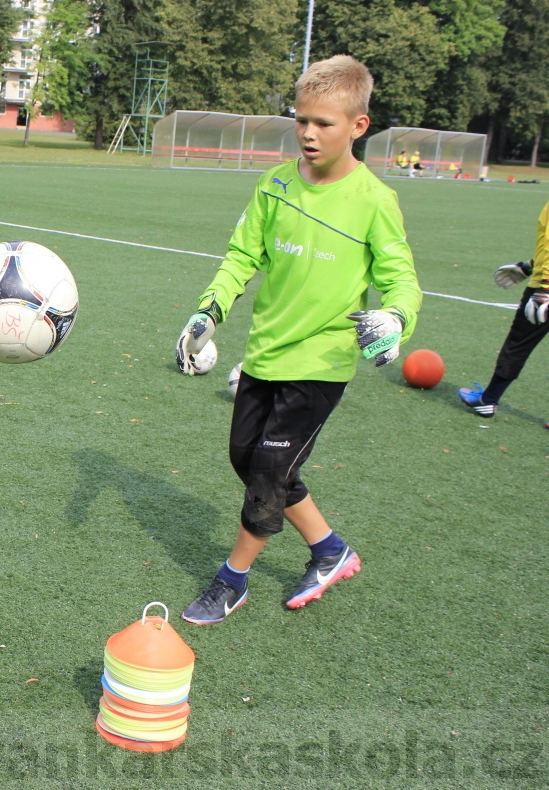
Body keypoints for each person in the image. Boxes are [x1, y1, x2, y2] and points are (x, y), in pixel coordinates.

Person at [173, 55, 422, 625]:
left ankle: (231, 581)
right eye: (301, 119)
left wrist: (397, 319)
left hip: (323, 362)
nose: (308, 133)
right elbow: (243, 256)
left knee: (266, 472)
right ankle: (330, 551)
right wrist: (211, 308)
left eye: (325, 123)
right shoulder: (275, 184)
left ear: (359, 126)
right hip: (266, 351)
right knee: (247, 458)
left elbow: (400, 279)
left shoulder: (375, 201)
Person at [458, 207, 549, 424]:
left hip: (544, 290)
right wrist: (529, 267)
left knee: (517, 345)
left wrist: (545, 287)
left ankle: (488, 400)